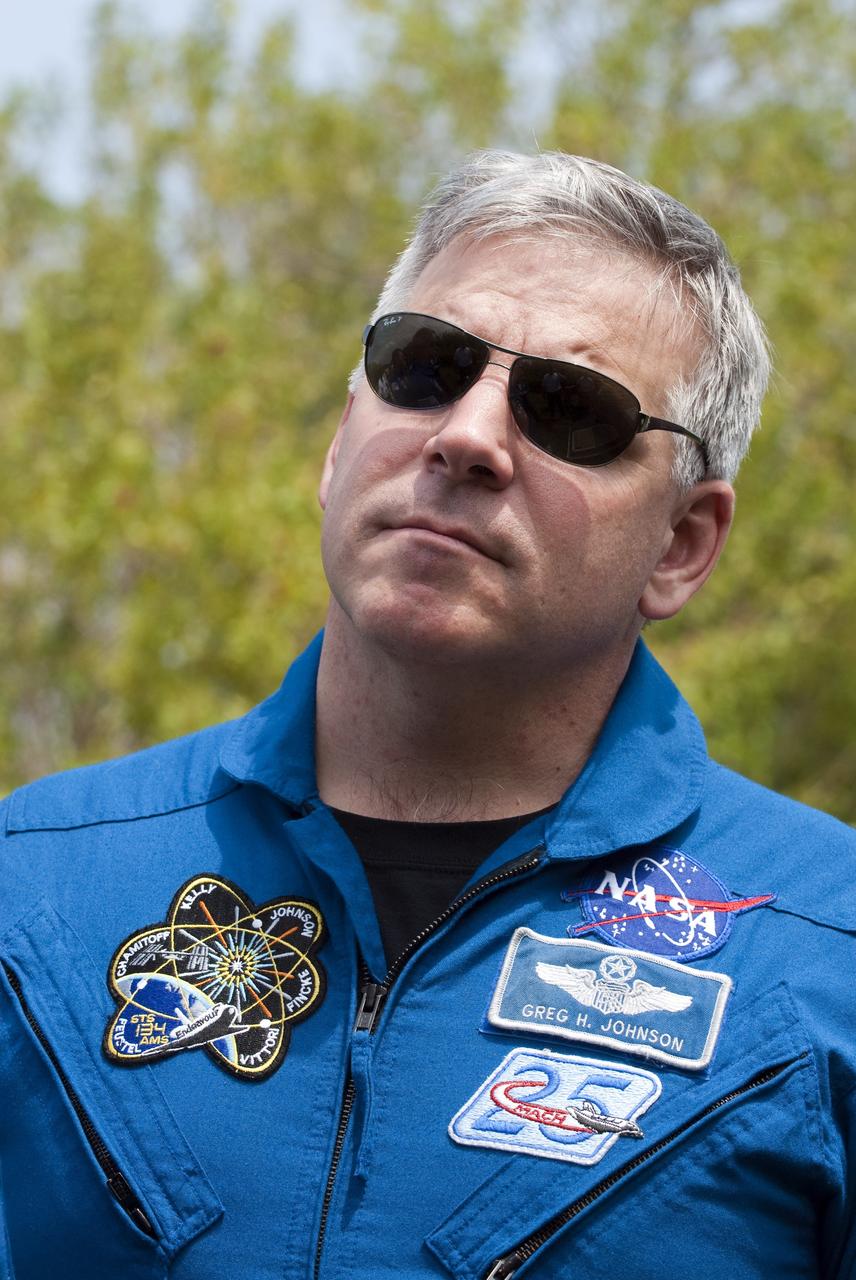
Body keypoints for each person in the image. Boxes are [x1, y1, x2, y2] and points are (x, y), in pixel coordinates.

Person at [1, 149, 853, 1280]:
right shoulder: (32, 889)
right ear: (338, 443)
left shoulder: (821, 956)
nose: (467, 435)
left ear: (683, 542)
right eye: (425, 365)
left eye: (569, 408)